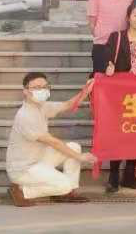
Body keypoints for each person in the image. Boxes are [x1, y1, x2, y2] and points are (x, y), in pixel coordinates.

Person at [6, 72, 95, 207]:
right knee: (65, 184)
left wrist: (86, 90)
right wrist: (80, 157)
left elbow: (68, 105)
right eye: (36, 87)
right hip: (24, 168)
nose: (42, 90)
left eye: (45, 87)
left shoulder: (42, 106)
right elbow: (53, 142)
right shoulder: (25, 116)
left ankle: (67, 193)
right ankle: (22, 191)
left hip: (38, 158)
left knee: (74, 147)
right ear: (25, 91)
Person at [102, 5, 136, 192]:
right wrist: (108, 67)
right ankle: (114, 175)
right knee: (119, 133)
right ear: (128, 17)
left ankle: (130, 174)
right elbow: (107, 59)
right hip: (121, 93)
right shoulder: (117, 37)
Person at [87, 0, 136, 74]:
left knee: (125, 81)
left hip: (128, 45)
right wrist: (101, 35)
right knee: (101, 79)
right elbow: (92, 23)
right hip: (103, 45)